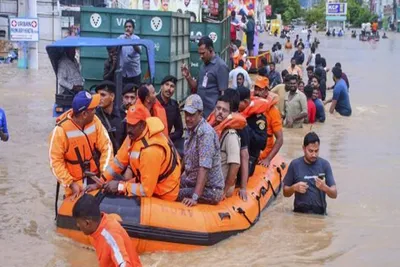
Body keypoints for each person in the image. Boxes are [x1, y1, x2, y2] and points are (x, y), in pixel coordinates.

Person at [102, 102, 181, 201]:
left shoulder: (151, 150)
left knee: (122, 187)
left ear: (143, 124)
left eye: (133, 126)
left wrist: (119, 186)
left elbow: (146, 190)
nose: (129, 129)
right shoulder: (133, 135)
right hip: (149, 181)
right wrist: (101, 180)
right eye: (128, 125)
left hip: (164, 191)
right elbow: (119, 161)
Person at [48, 91, 113, 198]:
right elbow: (55, 162)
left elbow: (107, 147)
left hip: (95, 178)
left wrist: (103, 177)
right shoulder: (60, 131)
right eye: (93, 109)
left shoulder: (95, 121)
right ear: (84, 114)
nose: (95, 111)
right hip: (74, 184)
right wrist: (70, 183)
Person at [178, 94, 224, 206]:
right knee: (166, 185)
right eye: (186, 114)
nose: (188, 118)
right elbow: (186, 156)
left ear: (200, 114)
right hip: (191, 180)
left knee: (172, 193)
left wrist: (195, 197)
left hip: (210, 190)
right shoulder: (191, 129)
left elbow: (204, 168)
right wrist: (176, 176)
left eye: (191, 115)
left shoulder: (206, 134)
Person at [72, 194, 142, 267]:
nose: (78, 225)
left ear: (87, 223)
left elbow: (124, 264)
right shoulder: (100, 226)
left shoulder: (110, 235)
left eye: (78, 222)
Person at [283, 132, 337, 215]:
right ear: (304, 149)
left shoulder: (325, 165)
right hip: (299, 214)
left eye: (316, 151)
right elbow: (285, 193)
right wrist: (294, 188)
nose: (314, 154)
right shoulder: (295, 165)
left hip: (319, 215)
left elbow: (334, 194)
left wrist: (325, 187)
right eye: (310, 151)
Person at [207, 94, 246, 198]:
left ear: (230, 114)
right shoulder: (212, 129)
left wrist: (225, 190)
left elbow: (235, 165)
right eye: (218, 108)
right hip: (212, 180)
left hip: (221, 186)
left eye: (224, 110)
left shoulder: (230, 135)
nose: (220, 112)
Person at [181, 36, 229, 118]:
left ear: (211, 50)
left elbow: (223, 95)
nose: (201, 56)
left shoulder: (221, 66)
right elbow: (196, 87)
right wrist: (188, 76)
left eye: (203, 53)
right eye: (199, 54)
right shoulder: (203, 65)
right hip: (200, 114)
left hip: (212, 115)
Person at [222, 89, 250, 201]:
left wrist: (243, 187)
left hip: (233, 174)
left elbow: (244, 156)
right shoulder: (219, 123)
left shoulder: (239, 127)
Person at [253, 77, 283, 167]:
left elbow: (280, 139)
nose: (257, 92)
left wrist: (268, 159)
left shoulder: (273, 111)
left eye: (260, 90)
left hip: (263, 154)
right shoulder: (250, 106)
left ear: (266, 91)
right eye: (256, 89)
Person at [238, 86, 268, 176]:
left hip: (248, 158)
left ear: (246, 102)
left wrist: (245, 127)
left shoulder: (258, 119)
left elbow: (262, 143)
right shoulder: (235, 113)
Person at [95, 81, 124, 153]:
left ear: (112, 96)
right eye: (98, 95)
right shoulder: (95, 117)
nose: (100, 98)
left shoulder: (122, 116)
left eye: (103, 95)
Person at [156, 75, 183, 144]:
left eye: (172, 86)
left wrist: (168, 138)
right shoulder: (154, 102)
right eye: (167, 85)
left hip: (167, 141)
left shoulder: (174, 105)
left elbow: (179, 130)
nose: (169, 88)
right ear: (161, 86)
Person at [118, 20, 142, 86]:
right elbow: (115, 49)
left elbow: (139, 51)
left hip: (134, 73)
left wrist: (129, 39)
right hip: (123, 73)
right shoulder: (120, 38)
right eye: (126, 27)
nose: (128, 28)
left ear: (133, 29)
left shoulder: (137, 38)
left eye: (130, 27)